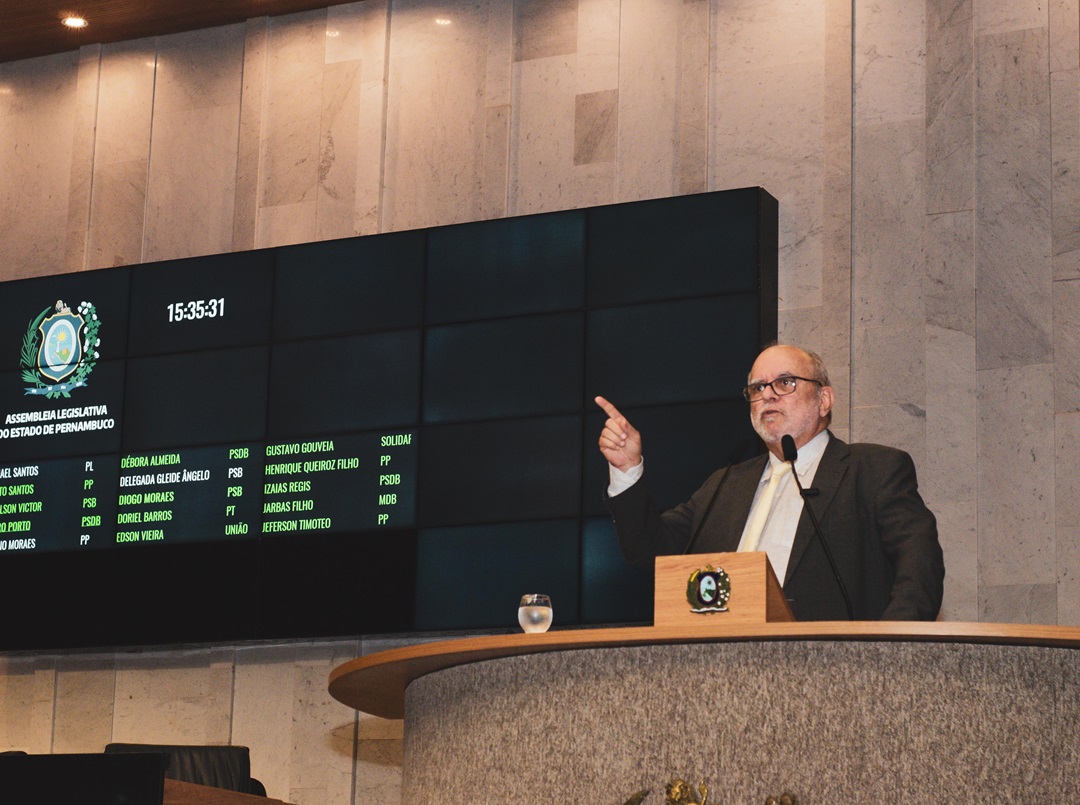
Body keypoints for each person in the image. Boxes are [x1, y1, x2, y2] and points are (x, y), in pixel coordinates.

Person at [596, 344, 944, 621]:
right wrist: (627, 470)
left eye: (785, 383)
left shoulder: (873, 470)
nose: (768, 395)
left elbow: (920, 566)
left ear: (824, 400)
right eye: (758, 387)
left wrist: (888, 647)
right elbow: (650, 550)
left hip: (839, 674)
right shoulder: (726, 484)